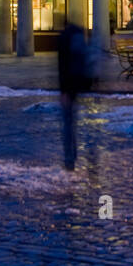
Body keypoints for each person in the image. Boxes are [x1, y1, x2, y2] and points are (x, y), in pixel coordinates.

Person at [56, 22, 93, 170]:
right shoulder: (79, 38)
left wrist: (63, 89)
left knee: (68, 122)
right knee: (73, 120)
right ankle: (77, 153)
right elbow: (87, 60)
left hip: (68, 85)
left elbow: (63, 66)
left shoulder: (65, 39)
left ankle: (69, 156)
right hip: (80, 82)